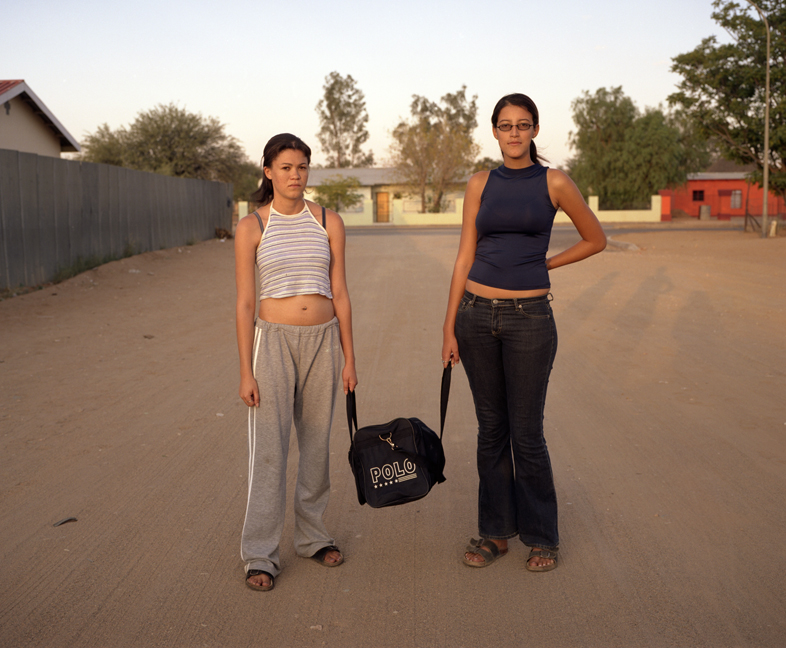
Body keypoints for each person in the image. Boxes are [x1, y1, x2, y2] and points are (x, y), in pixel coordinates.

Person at [441, 94, 606, 572]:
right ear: (494, 131)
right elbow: (464, 255)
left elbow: (596, 239)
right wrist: (449, 326)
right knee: (491, 430)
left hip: (530, 319)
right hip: (475, 315)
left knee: (527, 433)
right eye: (506, 125)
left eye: (523, 124)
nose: (514, 133)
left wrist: (546, 264)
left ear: (534, 130)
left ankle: (541, 537)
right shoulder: (480, 183)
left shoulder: (554, 181)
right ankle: (495, 534)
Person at [234, 133, 357, 591]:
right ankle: (260, 553)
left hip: (323, 342)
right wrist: (246, 370)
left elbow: (340, 291)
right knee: (270, 450)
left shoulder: (328, 221)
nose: (295, 175)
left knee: (317, 446)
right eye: (285, 167)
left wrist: (349, 357)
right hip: (273, 344)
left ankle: (313, 537)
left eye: (302, 167)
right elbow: (246, 303)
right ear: (268, 172)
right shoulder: (252, 226)